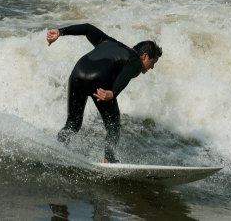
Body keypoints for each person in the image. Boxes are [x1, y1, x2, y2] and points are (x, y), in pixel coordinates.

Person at [47, 23, 162, 163]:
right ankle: (109, 159)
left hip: (76, 75)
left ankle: (56, 148)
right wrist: (113, 93)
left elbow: (87, 28)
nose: (153, 67)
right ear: (144, 56)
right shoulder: (136, 60)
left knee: (73, 123)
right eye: (153, 61)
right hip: (98, 81)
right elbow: (127, 74)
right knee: (113, 125)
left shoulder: (107, 41)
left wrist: (60, 32)